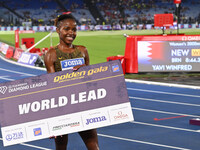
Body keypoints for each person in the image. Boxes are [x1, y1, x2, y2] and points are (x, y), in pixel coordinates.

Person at [44, 13, 99, 150]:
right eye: (66, 29)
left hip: (82, 104)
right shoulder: (51, 54)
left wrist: (87, 70)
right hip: (62, 107)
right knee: (61, 147)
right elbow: (52, 88)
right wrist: (52, 120)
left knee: (93, 146)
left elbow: (90, 81)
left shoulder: (82, 51)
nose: (71, 33)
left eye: (74, 29)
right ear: (58, 30)